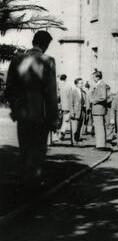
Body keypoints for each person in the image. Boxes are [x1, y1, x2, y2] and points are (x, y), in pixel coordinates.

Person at [6, 30, 58, 186]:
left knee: (25, 147)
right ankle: (34, 183)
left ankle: (24, 181)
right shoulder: (48, 60)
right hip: (40, 113)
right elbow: (51, 92)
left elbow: (9, 89)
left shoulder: (17, 60)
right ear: (46, 44)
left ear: (33, 41)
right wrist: (53, 117)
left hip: (22, 113)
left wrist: (15, 110)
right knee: (39, 149)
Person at [92, 70, 107, 149]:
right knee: (98, 127)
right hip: (98, 109)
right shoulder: (99, 84)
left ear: (97, 77)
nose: (93, 79)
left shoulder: (101, 84)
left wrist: (94, 100)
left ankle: (100, 145)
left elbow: (103, 97)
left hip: (99, 109)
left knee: (99, 128)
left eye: (94, 77)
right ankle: (100, 144)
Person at [70, 78, 87, 145]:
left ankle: (77, 140)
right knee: (74, 127)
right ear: (76, 84)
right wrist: (72, 112)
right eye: (80, 83)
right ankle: (73, 141)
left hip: (82, 111)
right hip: (75, 111)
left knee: (79, 127)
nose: (82, 84)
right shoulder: (73, 91)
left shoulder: (83, 92)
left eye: (82, 83)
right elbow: (71, 103)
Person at [59, 74, 72, 140]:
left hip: (59, 105)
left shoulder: (58, 85)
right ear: (66, 78)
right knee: (65, 120)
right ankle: (63, 131)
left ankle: (55, 135)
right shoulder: (68, 86)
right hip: (66, 106)